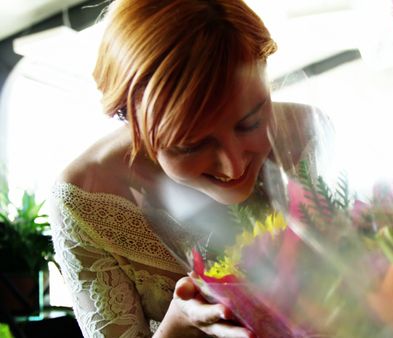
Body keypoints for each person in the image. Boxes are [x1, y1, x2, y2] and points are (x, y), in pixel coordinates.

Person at [49, 0, 326, 337]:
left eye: (250, 122)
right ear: (133, 122)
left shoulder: (309, 134)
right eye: (192, 145)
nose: (234, 164)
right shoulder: (87, 198)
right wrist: (179, 325)